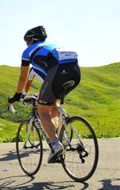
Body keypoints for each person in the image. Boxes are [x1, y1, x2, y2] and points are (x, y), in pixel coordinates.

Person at [8, 25, 81, 163]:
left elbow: (23, 78)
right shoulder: (53, 45)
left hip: (57, 73)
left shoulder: (27, 51)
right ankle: (63, 136)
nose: (27, 44)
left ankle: (55, 145)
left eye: (27, 41)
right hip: (75, 72)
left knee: (42, 110)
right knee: (53, 106)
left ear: (31, 40)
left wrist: (16, 96)